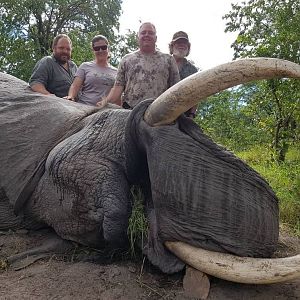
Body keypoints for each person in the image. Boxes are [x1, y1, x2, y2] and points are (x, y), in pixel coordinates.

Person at [99, 22, 180, 109]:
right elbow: (118, 88)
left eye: (151, 33)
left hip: (158, 113)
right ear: (138, 37)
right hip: (130, 111)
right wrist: (105, 102)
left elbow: (176, 89)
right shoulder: (126, 59)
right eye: (143, 32)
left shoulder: (168, 60)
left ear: (156, 38)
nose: (147, 35)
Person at [65, 35, 117, 106]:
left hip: (106, 110)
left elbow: (117, 93)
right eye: (97, 48)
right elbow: (75, 85)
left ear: (108, 48)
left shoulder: (116, 71)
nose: (100, 50)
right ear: (93, 50)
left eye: (104, 47)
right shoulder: (85, 66)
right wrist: (71, 96)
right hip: (85, 108)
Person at [169, 31, 199, 118]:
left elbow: (196, 94)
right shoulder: (163, 63)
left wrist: (192, 114)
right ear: (172, 46)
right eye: (178, 42)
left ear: (188, 47)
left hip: (184, 115)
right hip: (161, 113)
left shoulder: (193, 70)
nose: (181, 45)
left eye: (184, 43)